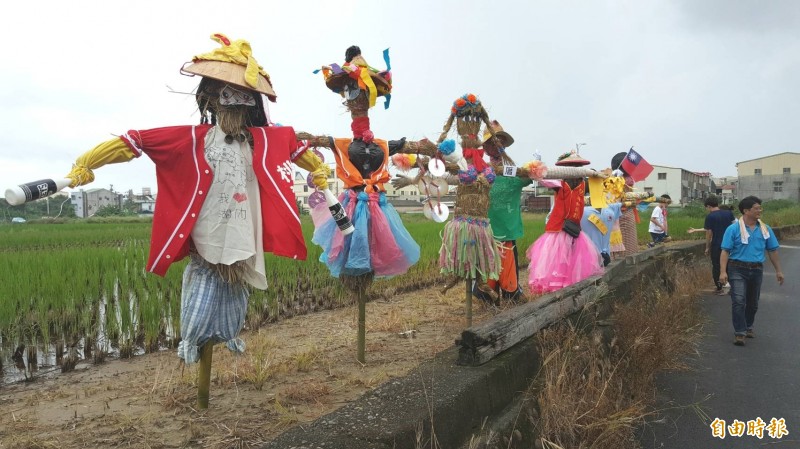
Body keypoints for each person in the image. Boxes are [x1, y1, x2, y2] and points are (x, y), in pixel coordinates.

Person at [63, 34, 332, 363]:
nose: (234, 103)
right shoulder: (195, 140)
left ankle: (227, 335)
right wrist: (86, 164)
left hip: (244, 237)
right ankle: (192, 342)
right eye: (227, 94)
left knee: (234, 302)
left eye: (243, 96)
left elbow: (299, 151)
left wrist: (319, 171)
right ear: (210, 99)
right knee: (202, 297)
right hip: (207, 239)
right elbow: (136, 141)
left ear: (252, 103)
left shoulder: (263, 141)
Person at [718, 196, 784, 346]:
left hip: (756, 269)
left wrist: (778, 271)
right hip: (737, 268)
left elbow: (772, 251)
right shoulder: (733, 229)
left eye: (760, 208)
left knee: (753, 303)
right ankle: (740, 332)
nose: (760, 210)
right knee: (739, 300)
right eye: (756, 208)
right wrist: (723, 271)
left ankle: (748, 326)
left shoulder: (765, 229)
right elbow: (725, 251)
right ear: (746, 211)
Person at [702, 195, 736, 295]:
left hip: (717, 245)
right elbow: (735, 227)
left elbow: (709, 233)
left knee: (717, 266)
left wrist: (707, 247)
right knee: (730, 265)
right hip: (730, 244)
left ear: (708, 206)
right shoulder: (729, 213)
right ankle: (732, 287)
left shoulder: (710, 216)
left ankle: (719, 287)